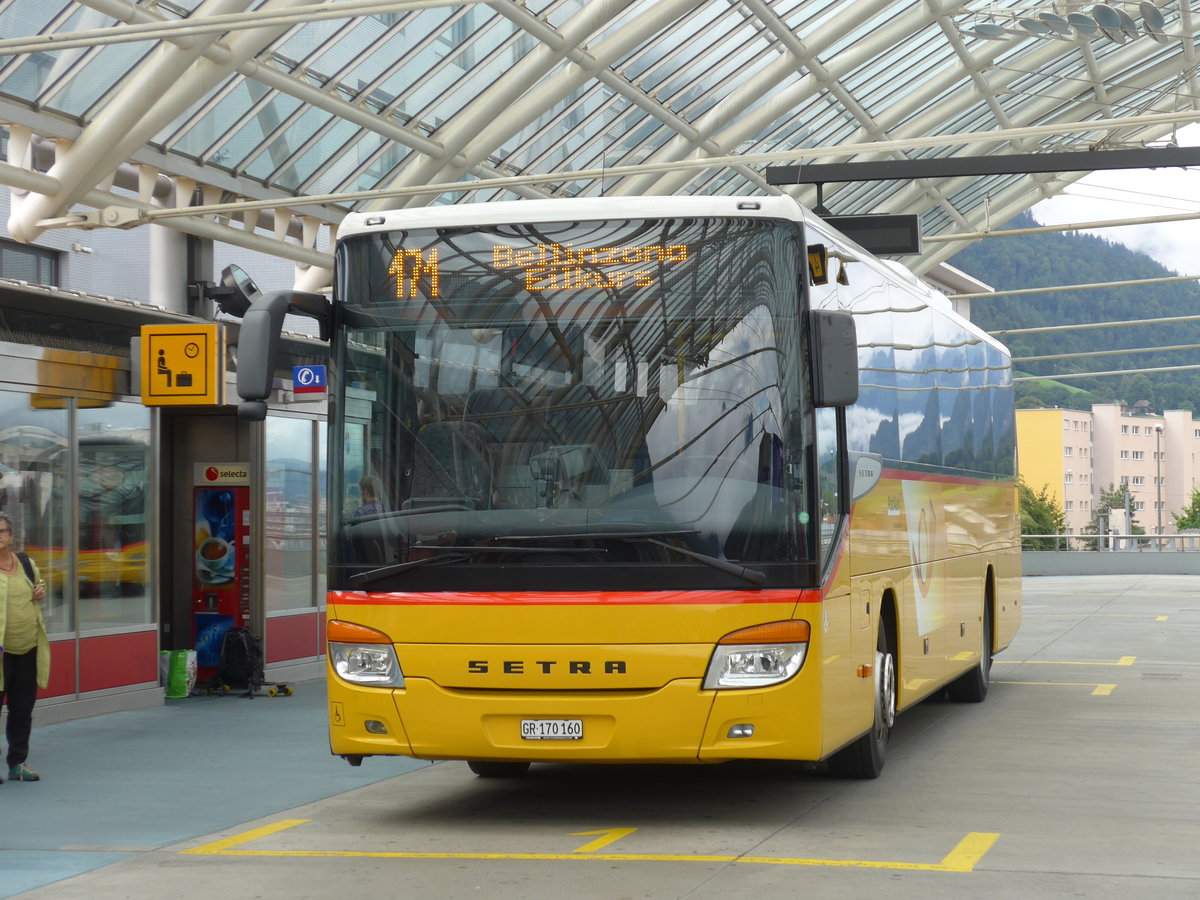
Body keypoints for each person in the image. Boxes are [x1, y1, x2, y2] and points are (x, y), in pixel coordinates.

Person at [0, 512, 50, 784]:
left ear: (11, 536)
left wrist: (40, 590)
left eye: (2, 531)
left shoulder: (25, 563)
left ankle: (18, 762)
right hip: (0, 651)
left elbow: (37, 587)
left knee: (22, 709)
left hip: (27, 647)